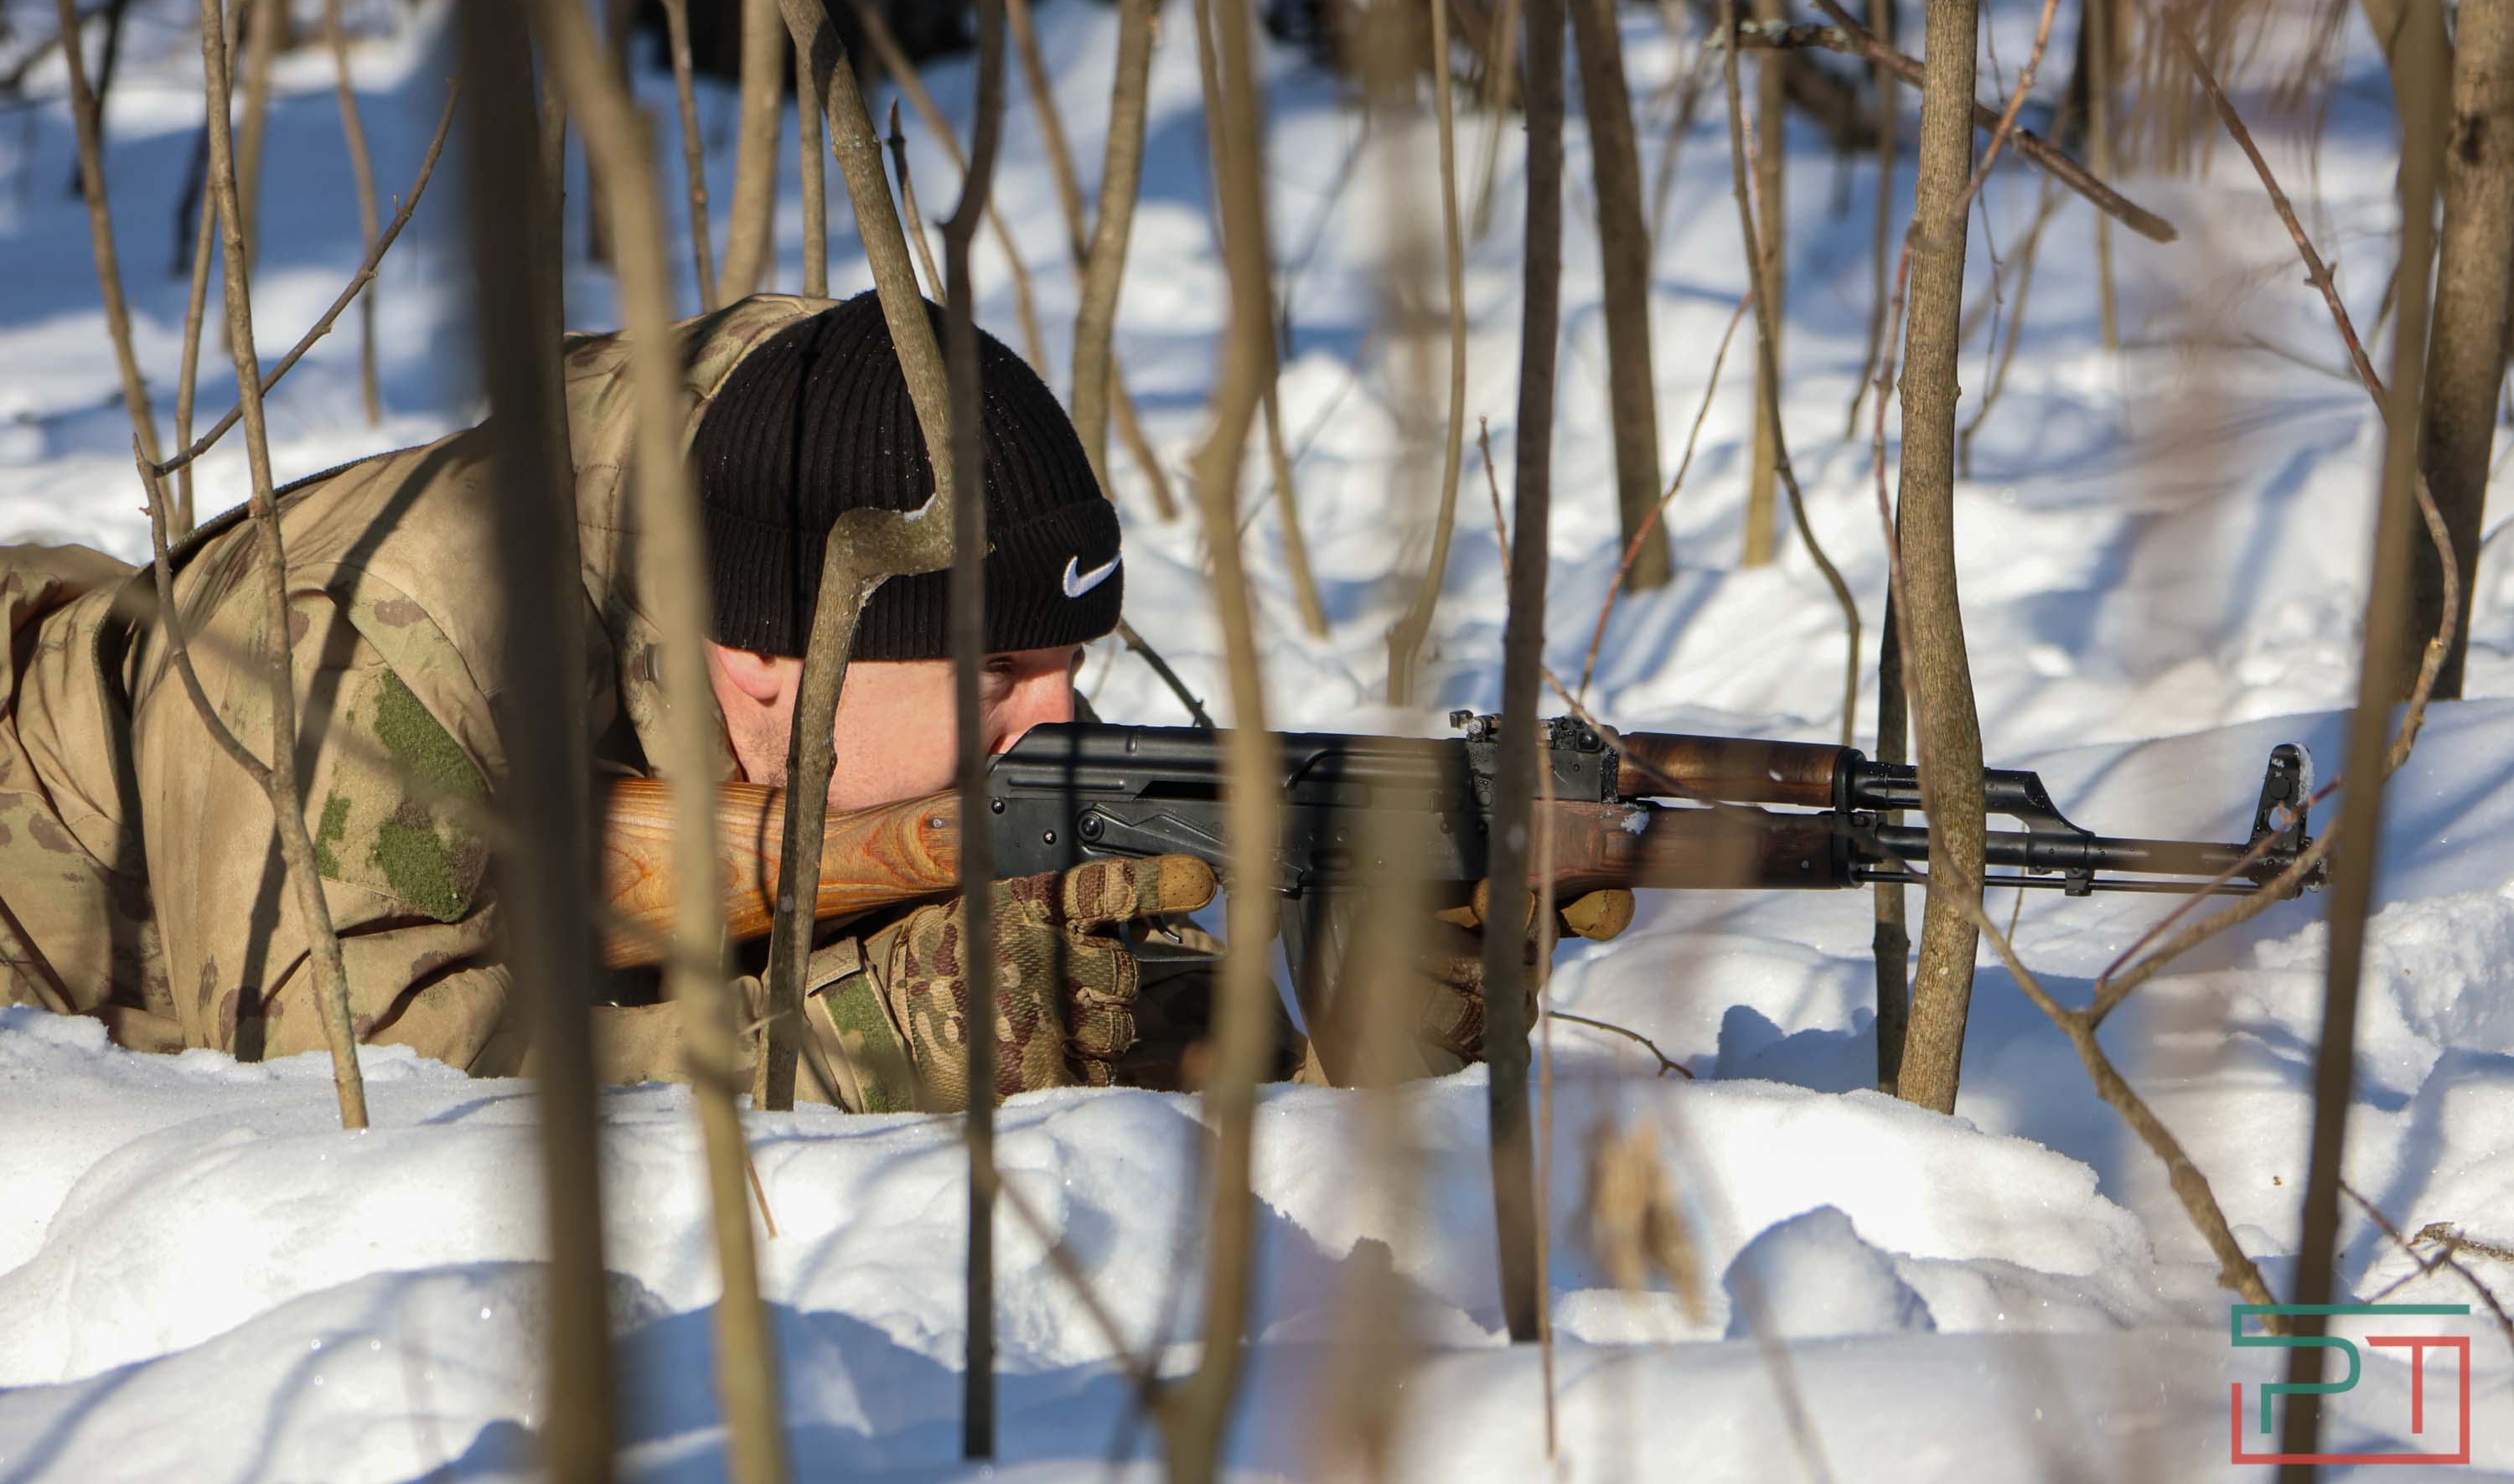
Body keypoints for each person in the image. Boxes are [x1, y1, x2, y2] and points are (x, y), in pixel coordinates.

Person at [0, 291, 1619, 1108]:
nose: (1054, 730)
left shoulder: (831, 452)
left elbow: (1045, 993)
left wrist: (1344, 1009)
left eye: (1069, 669)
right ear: (764, 661)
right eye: (993, 679)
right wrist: (879, 1039)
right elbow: (364, 1117)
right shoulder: (370, 641)